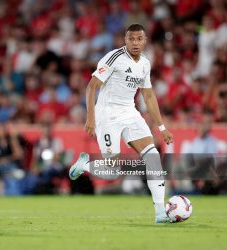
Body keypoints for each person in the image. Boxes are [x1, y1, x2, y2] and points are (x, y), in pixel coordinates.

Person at [69, 24, 174, 223]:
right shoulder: (113, 58)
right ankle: (85, 165)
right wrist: (91, 118)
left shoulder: (144, 63)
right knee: (112, 172)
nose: (135, 43)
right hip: (107, 114)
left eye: (139, 39)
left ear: (145, 41)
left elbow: (149, 96)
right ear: (125, 40)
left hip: (130, 112)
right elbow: (92, 87)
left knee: (153, 159)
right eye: (131, 39)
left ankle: (160, 212)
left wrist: (162, 127)